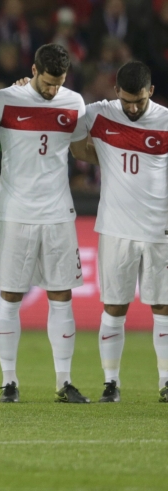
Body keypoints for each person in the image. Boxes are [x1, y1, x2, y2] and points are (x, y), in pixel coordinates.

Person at [0, 44, 93, 404]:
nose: (53, 90)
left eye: (59, 83)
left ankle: (64, 382)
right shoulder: (2, 101)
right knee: (9, 296)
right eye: (48, 82)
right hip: (15, 211)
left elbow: (82, 150)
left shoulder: (74, 103)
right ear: (34, 70)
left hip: (57, 212)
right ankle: (9, 381)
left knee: (61, 296)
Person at [83, 61, 168, 403]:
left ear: (151, 91)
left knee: (163, 306)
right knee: (114, 307)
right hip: (116, 228)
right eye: (127, 101)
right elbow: (67, 130)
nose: (133, 108)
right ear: (116, 92)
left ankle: (165, 382)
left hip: (160, 230)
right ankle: (111, 383)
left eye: (140, 101)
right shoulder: (98, 114)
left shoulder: (165, 120)